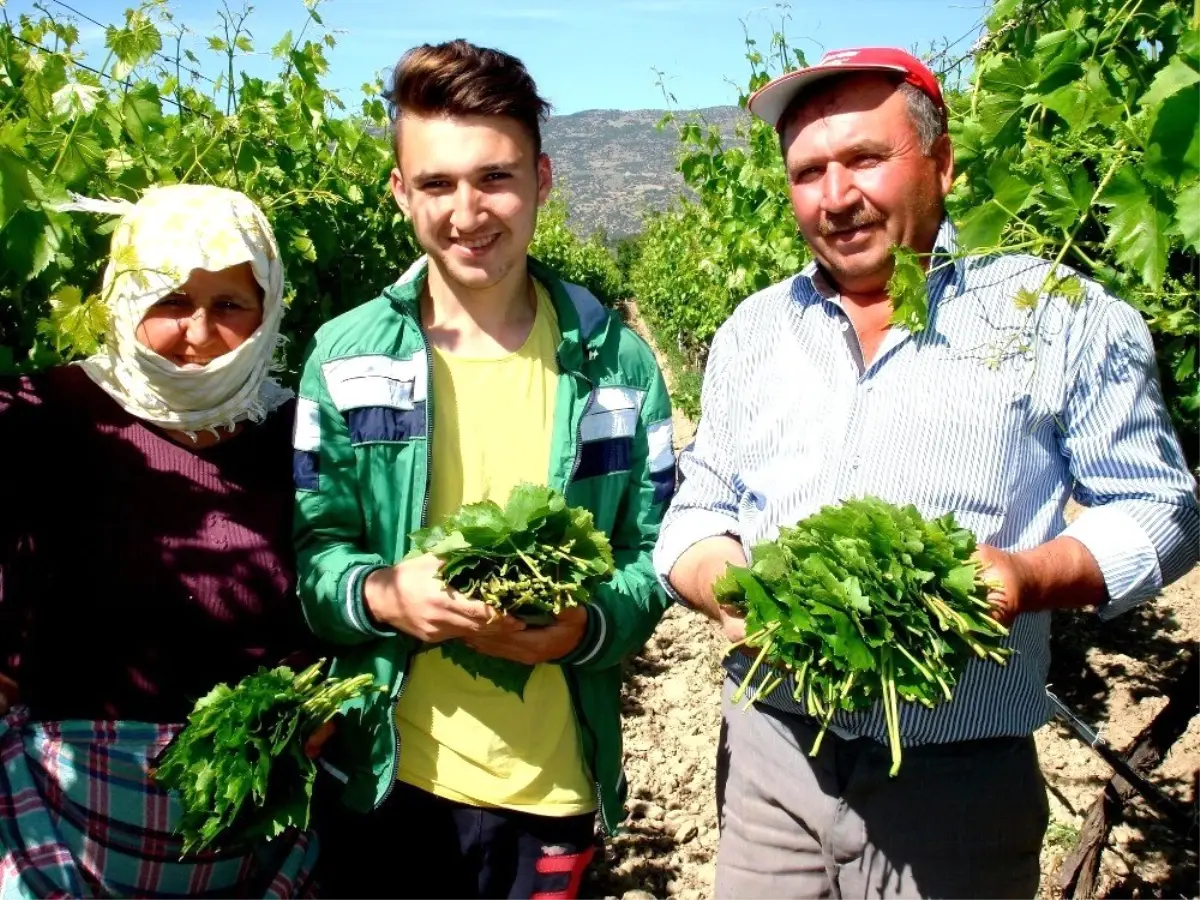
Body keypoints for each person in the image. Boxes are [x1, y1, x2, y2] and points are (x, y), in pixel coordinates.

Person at [653, 47, 1200, 900]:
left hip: (958, 773)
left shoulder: (1057, 317)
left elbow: (1162, 509)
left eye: (865, 159)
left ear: (942, 163)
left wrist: (1027, 575)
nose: (835, 196)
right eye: (808, 171)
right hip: (770, 756)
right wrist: (726, 583)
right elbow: (699, 504)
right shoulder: (752, 332)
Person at [295, 40, 675, 899]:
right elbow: (315, 550)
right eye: (436, 184)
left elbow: (658, 554)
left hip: (550, 792)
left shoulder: (618, 368)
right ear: (400, 194)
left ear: (542, 181)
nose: (467, 211)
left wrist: (587, 627)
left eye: (494, 178)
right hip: (386, 782)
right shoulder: (345, 358)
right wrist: (384, 595)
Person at [0, 184, 321, 899]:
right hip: (58, 829)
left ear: (268, 310)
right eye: (169, 300)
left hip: (249, 835)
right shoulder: (35, 418)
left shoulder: (300, 436)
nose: (199, 332)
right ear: (122, 297)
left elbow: (335, 593)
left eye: (230, 305)